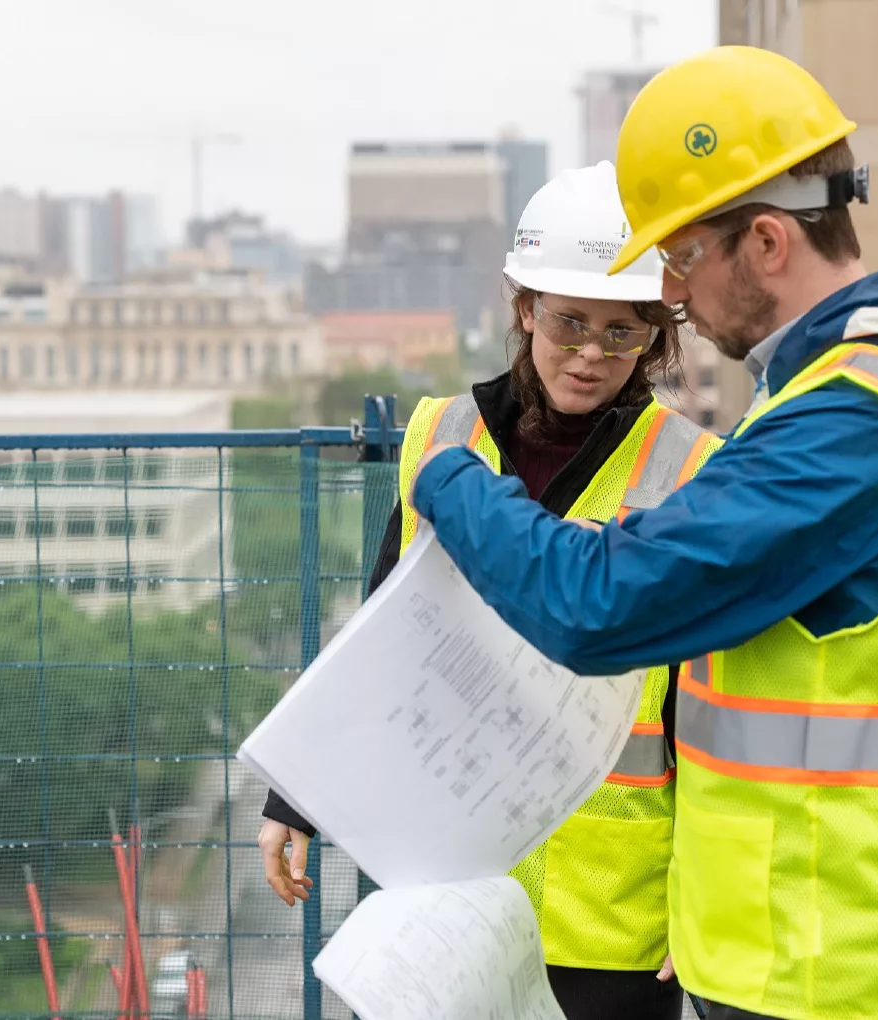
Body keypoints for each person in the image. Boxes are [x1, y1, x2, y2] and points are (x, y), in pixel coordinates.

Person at [406, 46, 878, 1020]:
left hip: (848, 964)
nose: (671, 294)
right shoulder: (841, 395)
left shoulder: (854, 423)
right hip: (815, 937)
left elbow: (600, 603)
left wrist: (447, 474)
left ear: (765, 243)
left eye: (680, 256)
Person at [258, 161, 722, 1020]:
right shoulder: (443, 432)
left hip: (611, 915)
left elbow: (709, 707)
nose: (590, 355)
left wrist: (706, 901)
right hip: (443, 881)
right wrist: (299, 793)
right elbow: (382, 636)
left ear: (653, 336)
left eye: (621, 335)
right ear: (524, 310)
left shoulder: (690, 469)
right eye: (569, 323)